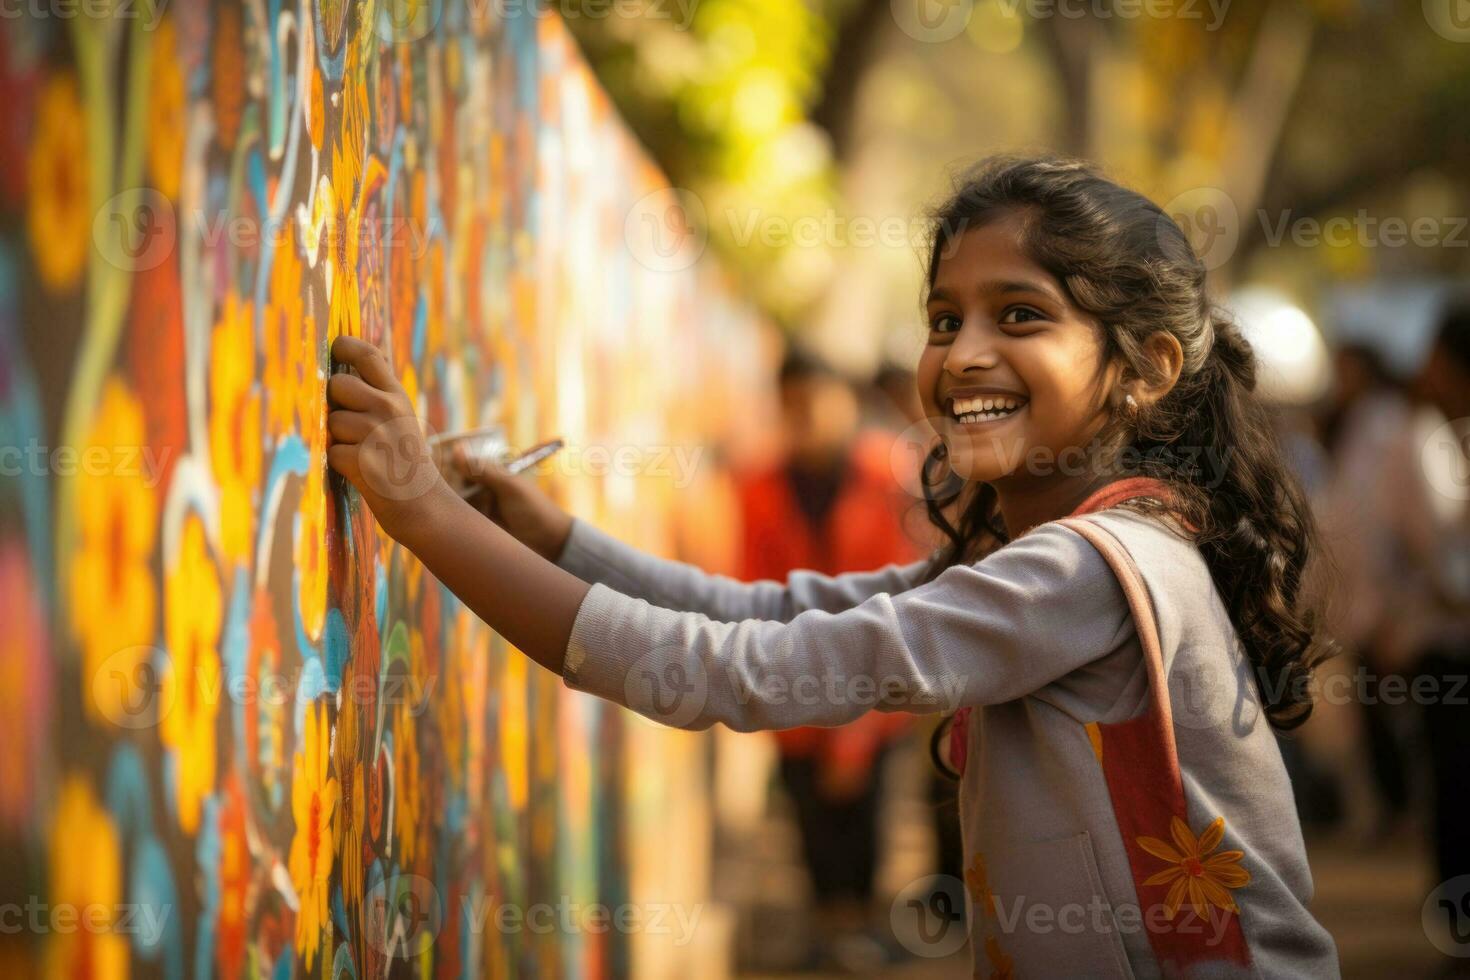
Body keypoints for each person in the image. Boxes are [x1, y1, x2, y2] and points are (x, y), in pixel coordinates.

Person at [325, 155, 1341, 977]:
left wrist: (419, 513)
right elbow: (769, 616)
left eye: (1020, 314)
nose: (963, 352)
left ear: (1149, 370)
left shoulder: (1086, 569)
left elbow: (736, 670)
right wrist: (552, 539)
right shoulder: (1042, 556)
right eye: (946, 319)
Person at [734, 347, 919, 970]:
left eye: (818, 400)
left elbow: (897, 604)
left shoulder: (889, 477)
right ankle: (829, 927)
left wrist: (856, 732)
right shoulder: (760, 486)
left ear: (846, 402)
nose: (807, 415)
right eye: (793, 403)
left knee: (866, 814)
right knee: (809, 816)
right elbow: (751, 592)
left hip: (873, 686)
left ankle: (858, 925)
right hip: (792, 691)